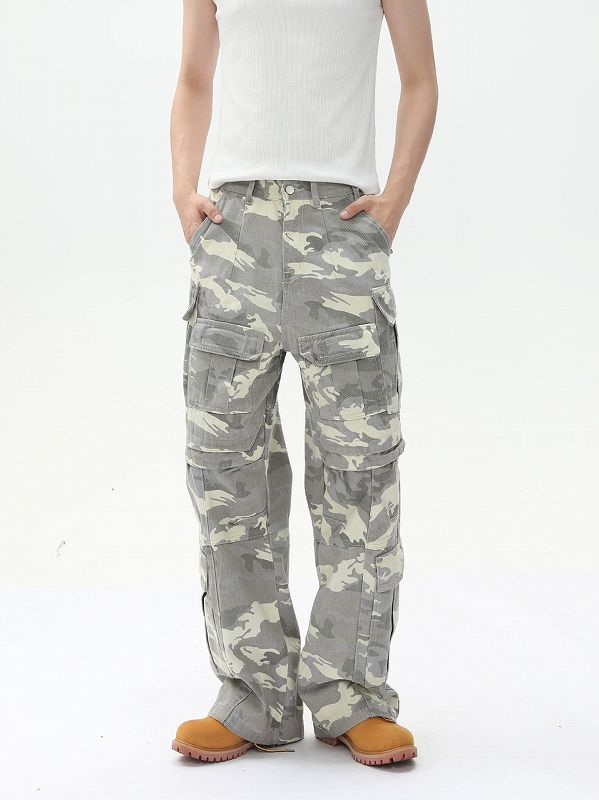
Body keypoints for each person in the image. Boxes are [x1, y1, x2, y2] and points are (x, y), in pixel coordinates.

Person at [170, 0, 437, 766]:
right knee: (227, 476)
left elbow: (420, 79)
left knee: (360, 478)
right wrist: (182, 191)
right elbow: (193, 77)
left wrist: (393, 202)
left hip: (340, 228)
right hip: (232, 230)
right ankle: (252, 696)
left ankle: (353, 695)